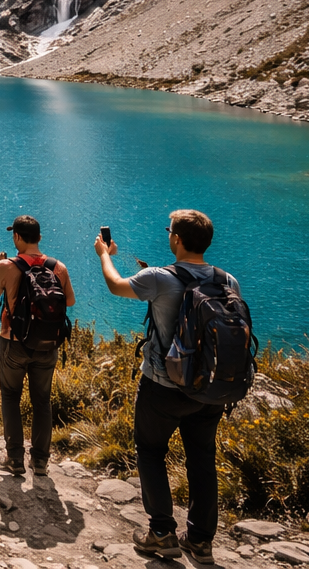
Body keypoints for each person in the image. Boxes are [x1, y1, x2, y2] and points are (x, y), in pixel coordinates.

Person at [96, 210, 239, 565]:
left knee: (151, 452)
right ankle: (201, 541)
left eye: (169, 231)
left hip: (163, 386)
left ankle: (162, 532)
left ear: (176, 238)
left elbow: (115, 285)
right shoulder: (228, 281)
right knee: (202, 459)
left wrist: (103, 254)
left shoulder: (159, 277)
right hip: (209, 388)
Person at [0, 214, 75, 476]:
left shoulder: (7, 266)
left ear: (16, 237)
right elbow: (69, 302)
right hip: (48, 344)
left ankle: (14, 458)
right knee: (42, 401)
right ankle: (41, 461)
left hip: (13, 342)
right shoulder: (59, 267)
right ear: (40, 238)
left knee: (11, 397)